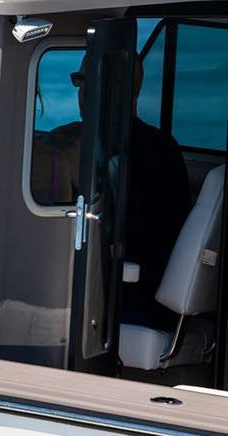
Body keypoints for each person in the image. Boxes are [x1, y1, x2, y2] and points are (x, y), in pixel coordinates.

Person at [34, 57, 192, 329]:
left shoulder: (80, 145)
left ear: (119, 88)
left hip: (119, 296)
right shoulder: (166, 148)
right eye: (79, 81)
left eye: (87, 82)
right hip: (147, 293)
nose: (81, 91)